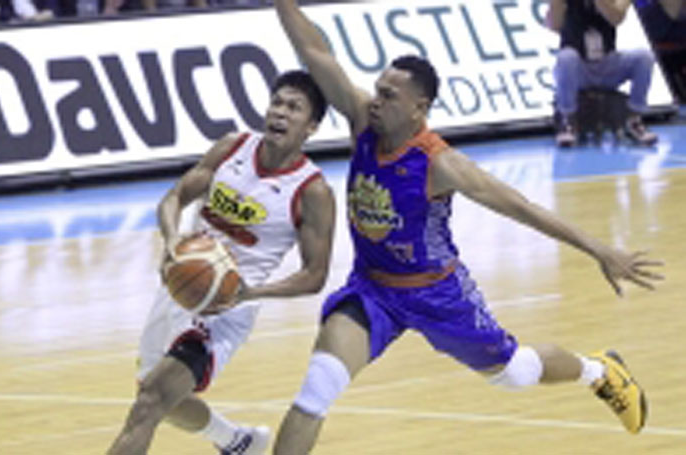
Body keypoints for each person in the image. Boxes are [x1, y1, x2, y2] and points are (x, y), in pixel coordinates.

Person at [272, 1, 664, 454]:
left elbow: (524, 208)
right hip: (374, 289)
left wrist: (599, 249)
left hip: (438, 293)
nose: (375, 100)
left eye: (389, 96)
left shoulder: (442, 164)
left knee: (516, 374)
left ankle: (598, 371)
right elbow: (313, 49)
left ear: (420, 108)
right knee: (316, 389)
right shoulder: (363, 120)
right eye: (377, 89)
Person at [106, 70, 335, 455]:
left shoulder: (312, 191)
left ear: (311, 126)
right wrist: (173, 238)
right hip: (180, 288)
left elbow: (314, 276)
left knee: (149, 404)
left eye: (294, 108)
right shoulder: (233, 147)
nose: (280, 112)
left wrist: (250, 293)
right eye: (277, 102)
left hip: (225, 310)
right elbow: (174, 197)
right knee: (158, 396)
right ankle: (237, 441)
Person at [546, 0, 659, 147]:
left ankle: (634, 118)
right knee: (566, 57)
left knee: (644, 57)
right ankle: (568, 121)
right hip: (579, 66)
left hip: (607, 63)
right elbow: (554, 25)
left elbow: (617, 18)